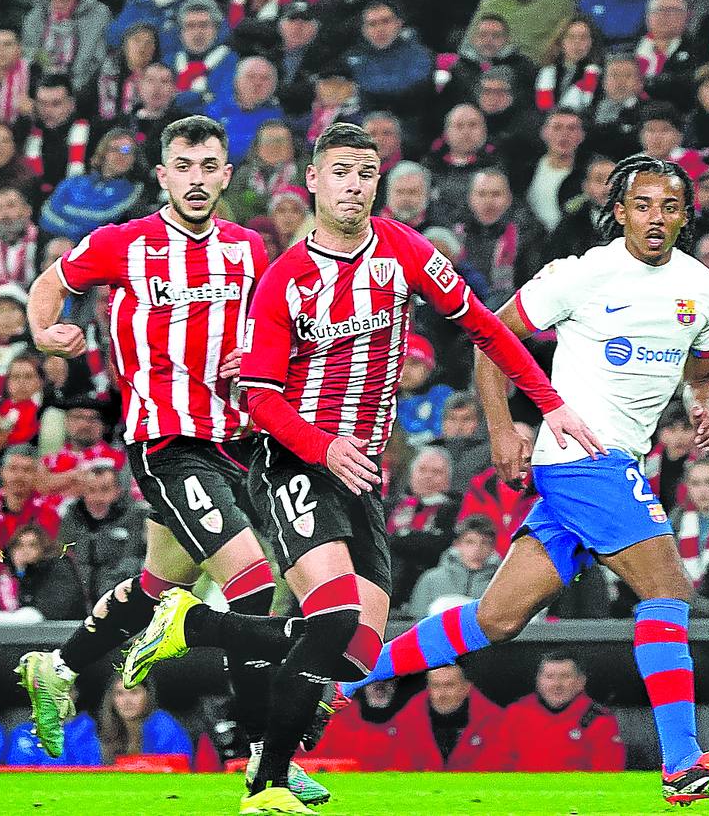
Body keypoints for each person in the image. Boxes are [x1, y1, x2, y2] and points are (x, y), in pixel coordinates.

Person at [123, 121, 597, 815]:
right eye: (341, 171)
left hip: (362, 470)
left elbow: (486, 326)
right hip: (293, 460)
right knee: (335, 614)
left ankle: (196, 627)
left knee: (357, 652)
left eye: (366, 173)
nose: (354, 185)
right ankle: (267, 784)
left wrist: (548, 402)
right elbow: (256, 396)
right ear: (312, 180)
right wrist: (322, 447)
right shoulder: (285, 277)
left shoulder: (402, 249)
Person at [306, 154, 709, 805]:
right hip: (582, 460)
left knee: (496, 620)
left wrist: (707, 410)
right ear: (619, 212)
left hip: (610, 467)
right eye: (642, 205)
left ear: (687, 214)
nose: (655, 218)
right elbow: (489, 337)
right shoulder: (583, 276)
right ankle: (684, 761)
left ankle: (341, 678)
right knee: (668, 592)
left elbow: (702, 368)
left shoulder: (707, 290)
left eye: (669, 206)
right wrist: (501, 429)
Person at [14, 115, 323, 802]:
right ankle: (261, 759)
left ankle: (59, 668)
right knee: (249, 584)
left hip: (236, 441)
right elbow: (48, 282)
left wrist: (264, 356)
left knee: (159, 584)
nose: (196, 179)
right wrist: (45, 329)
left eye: (209, 166)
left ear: (225, 175)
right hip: (165, 441)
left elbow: (273, 331)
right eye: (183, 166)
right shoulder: (125, 244)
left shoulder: (247, 248)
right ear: (162, 175)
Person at [503, 652, 625, 772]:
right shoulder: (516, 713)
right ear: (538, 682)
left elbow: (608, 776)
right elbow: (499, 764)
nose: (557, 684)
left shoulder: (599, 720)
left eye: (565, 676)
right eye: (549, 677)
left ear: (580, 682)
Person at [96, 676, 192, 765]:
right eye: (120, 693)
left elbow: (176, 769)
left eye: (134, 692)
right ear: (112, 700)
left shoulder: (164, 727)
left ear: (148, 696)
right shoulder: (107, 732)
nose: (127, 700)